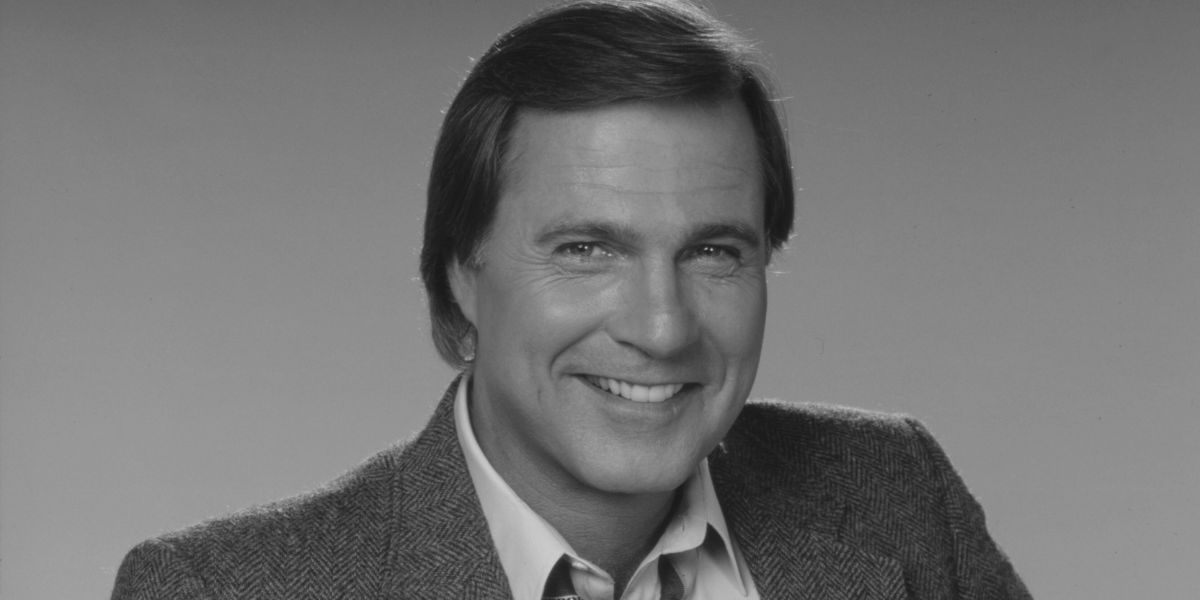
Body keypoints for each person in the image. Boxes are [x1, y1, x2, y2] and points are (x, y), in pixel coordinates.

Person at [111, 1, 1031, 598]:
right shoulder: (220, 588)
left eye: (713, 252)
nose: (661, 327)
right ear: (462, 272)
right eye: (588, 250)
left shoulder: (899, 497)